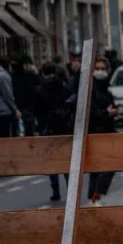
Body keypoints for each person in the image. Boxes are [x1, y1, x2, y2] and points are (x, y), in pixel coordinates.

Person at [86, 58, 120, 206]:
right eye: (97, 68)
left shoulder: (106, 88)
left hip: (107, 131)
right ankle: (95, 196)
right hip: (95, 132)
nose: (100, 71)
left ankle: (95, 196)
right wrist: (107, 113)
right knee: (101, 166)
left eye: (102, 68)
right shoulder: (90, 89)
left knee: (109, 165)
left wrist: (112, 111)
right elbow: (90, 112)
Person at [35, 62, 71, 201]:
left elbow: (37, 111)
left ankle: (55, 190)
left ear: (43, 72)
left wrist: (40, 126)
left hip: (47, 127)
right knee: (67, 159)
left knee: (52, 160)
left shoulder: (39, 89)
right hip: (64, 126)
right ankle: (70, 188)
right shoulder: (63, 87)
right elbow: (69, 105)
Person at [13, 58, 39, 138]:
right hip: (29, 103)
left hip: (19, 103)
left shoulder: (13, 77)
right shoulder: (30, 76)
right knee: (29, 124)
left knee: (19, 125)